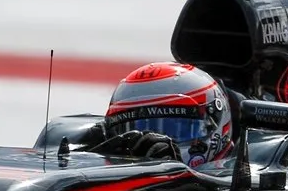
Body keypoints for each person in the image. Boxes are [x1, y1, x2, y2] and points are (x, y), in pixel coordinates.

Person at [94, 62, 235, 169]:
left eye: (174, 129)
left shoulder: (246, 175)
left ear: (214, 121)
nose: (155, 146)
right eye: (137, 132)